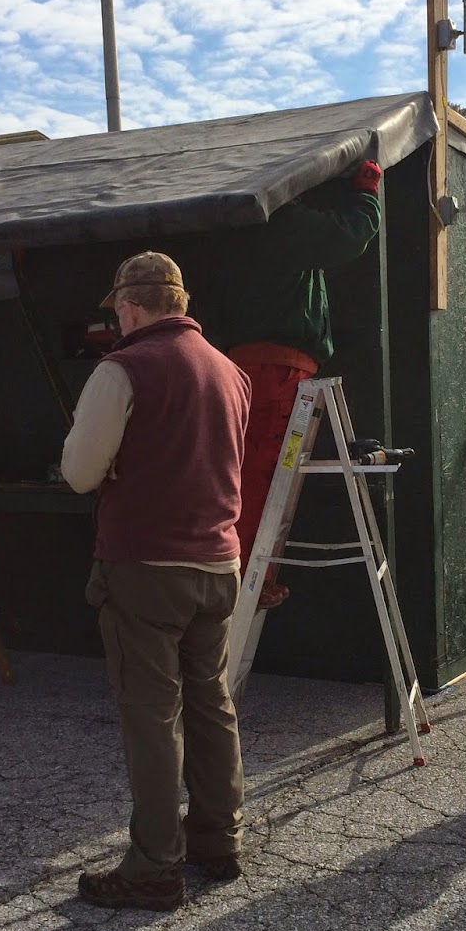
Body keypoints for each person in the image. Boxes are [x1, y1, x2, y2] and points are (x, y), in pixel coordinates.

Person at [63, 252, 252, 911]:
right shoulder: (229, 371)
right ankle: (218, 839)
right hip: (219, 562)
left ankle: (153, 865)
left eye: (118, 311)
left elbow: (80, 473)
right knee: (211, 703)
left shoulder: (122, 369)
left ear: (131, 307)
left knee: (151, 715)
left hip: (145, 565)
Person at [205, 159, 384, 608]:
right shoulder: (279, 222)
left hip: (243, 368)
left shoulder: (233, 227)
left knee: (243, 476)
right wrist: (366, 192)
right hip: (276, 373)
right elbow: (350, 234)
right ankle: (246, 584)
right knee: (264, 479)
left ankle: (244, 578)